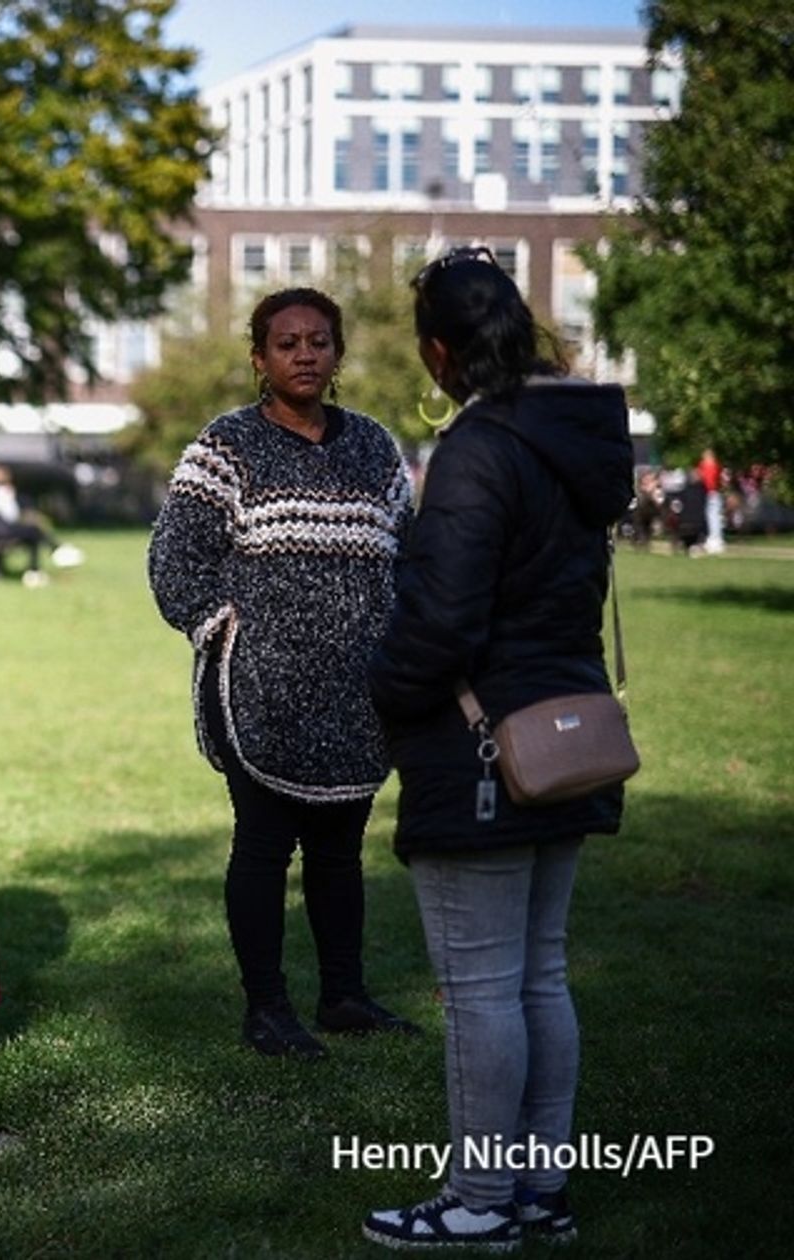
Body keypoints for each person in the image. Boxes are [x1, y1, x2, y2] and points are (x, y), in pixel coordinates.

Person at [361, 247, 632, 1251]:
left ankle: (480, 1201)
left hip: (482, 748)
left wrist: (381, 697)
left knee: (483, 990)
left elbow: (440, 622)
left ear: (438, 352)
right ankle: (539, 1191)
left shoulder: (478, 448)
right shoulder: (577, 433)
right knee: (537, 977)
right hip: (566, 731)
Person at [148, 286, 419, 1060]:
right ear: (259, 357)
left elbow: (411, 553)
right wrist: (219, 627)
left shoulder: (372, 447)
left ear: (338, 354)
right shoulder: (226, 446)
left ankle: (344, 995)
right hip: (257, 690)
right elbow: (175, 559)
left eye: (320, 341)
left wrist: (399, 641)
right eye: (288, 342)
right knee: (264, 846)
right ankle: (266, 1009)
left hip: (358, 690)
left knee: (341, 849)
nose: (305, 354)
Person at [0, 463, 85, 586]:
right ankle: (50, 555)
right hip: (0, 531)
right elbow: (10, 515)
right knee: (33, 531)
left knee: (33, 532)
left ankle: (46, 558)